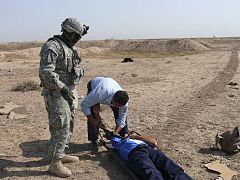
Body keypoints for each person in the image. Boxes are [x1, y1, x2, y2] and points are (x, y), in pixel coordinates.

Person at [39, 18, 89, 178]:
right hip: (57, 93)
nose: (77, 40)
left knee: (69, 125)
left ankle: (62, 152)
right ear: (68, 32)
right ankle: (55, 164)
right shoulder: (52, 46)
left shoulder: (69, 47)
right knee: (60, 127)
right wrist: (63, 88)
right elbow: (46, 72)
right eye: (76, 36)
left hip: (69, 92)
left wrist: (69, 90)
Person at [110, 131, 193, 180]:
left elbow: (153, 143)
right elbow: (114, 139)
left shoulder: (138, 138)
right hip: (135, 153)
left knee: (171, 168)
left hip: (149, 150)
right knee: (151, 173)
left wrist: (136, 136)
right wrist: (117, 136)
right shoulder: (120, 142)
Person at [80, 76, 129, 151]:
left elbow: (122, 119)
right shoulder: (99, 94)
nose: (117, 107)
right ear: (113, 100)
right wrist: (93, 120)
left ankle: (122, 136)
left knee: (120, 114)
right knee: (92, 111)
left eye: (120, 106)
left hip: (109, 83)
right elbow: (84, 104)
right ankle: (94, 140)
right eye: (116, 105)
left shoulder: (123, 103)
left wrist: (114, 133)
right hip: (95, 84)